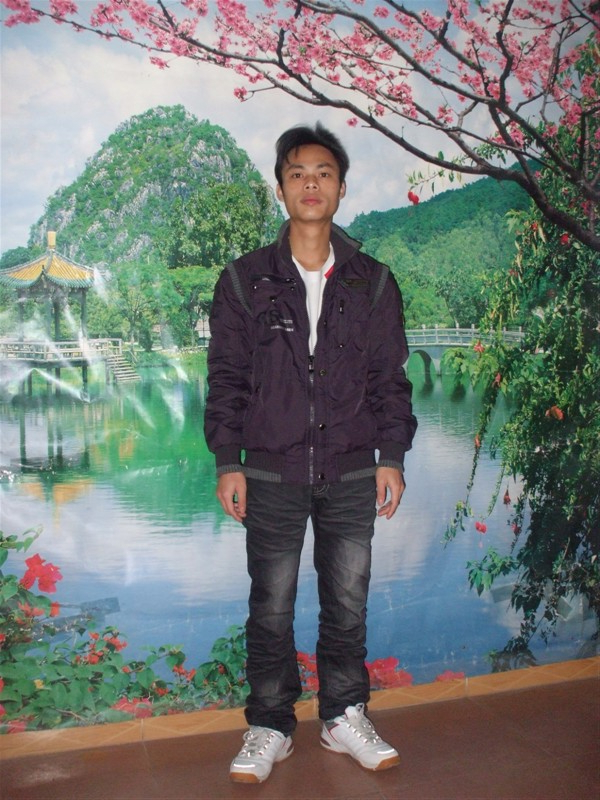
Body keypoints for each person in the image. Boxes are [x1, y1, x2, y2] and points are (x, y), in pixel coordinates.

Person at [204, 123, 417, 784]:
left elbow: (389, 378)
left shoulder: (372, 282)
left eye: (323, 172)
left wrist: (391, 454)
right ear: (281, 189)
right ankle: (270, 724)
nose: (310, 184)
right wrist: (229, 460)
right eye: (297, 173)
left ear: (341, 187)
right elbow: (227, 379)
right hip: (271, 468)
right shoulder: (244, 280)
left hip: (351, 467)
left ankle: (343, 715)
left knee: (347, 601)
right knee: (270, 604)